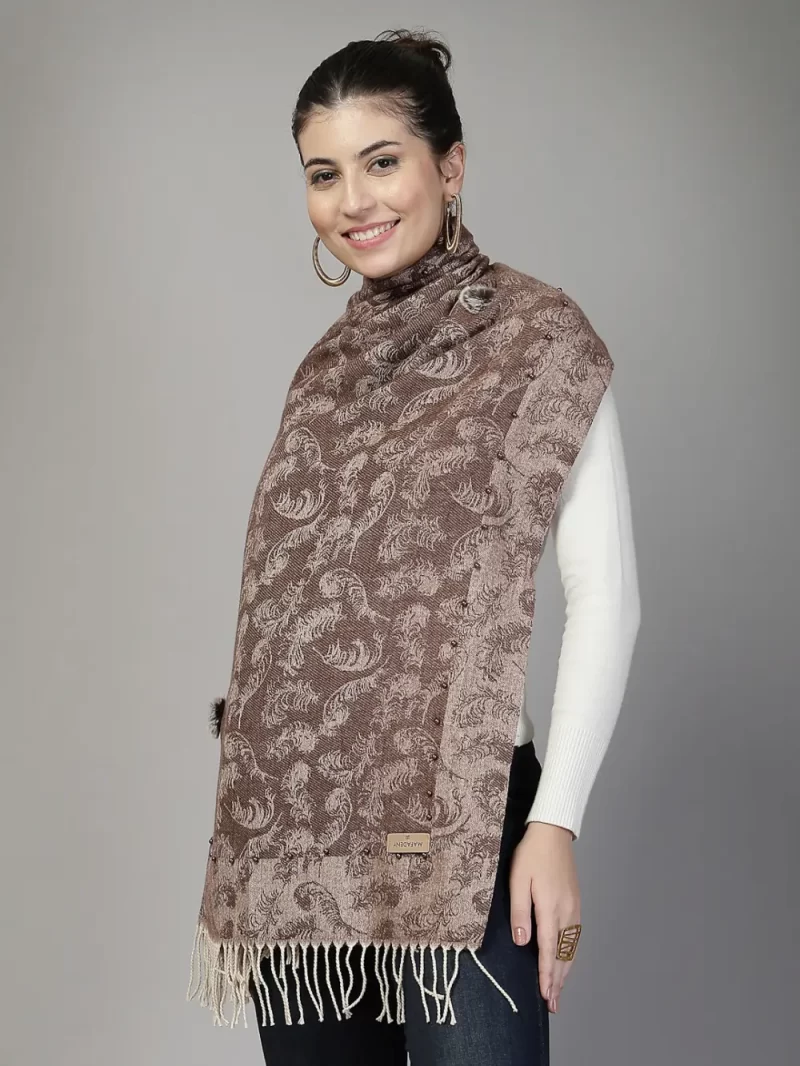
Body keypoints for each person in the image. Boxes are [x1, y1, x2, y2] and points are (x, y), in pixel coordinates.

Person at [186, 28, 640, 1066]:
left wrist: (554, 823)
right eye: (324, 175)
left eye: (381, 161)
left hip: (465, 824)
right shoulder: (322, 375)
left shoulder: (538, 340)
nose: (354, 201)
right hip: (297, 835)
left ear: (451, 165)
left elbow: (605, 595)